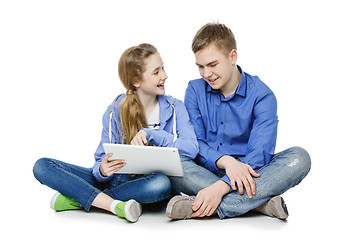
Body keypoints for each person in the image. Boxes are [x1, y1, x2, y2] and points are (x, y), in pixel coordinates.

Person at [33, 43, 198, 223]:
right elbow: (100, 161)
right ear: (136, 81)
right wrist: (102, 170)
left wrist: (153, 134)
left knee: (161, 184)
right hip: (113, 180)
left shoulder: (175, 107)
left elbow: (191, 149)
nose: (165, 76)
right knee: (42, 166)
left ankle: (83, 199)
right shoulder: (115, 110)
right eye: (156, 72)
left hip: (148, 184)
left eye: (163, 68)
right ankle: (113, 205)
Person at [166, 23, 311, 220]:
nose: (206, 73)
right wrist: (226, 162)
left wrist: (221, 187)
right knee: (171, 160)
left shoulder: (262, 95)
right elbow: (194, 143)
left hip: (249, 174)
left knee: (300, 157)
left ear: (232, 56)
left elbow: (260, 153)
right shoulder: (194, 90)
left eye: (213, 65)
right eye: (200, 66)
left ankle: (201, 205)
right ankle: (258, 205)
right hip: (204, 170)